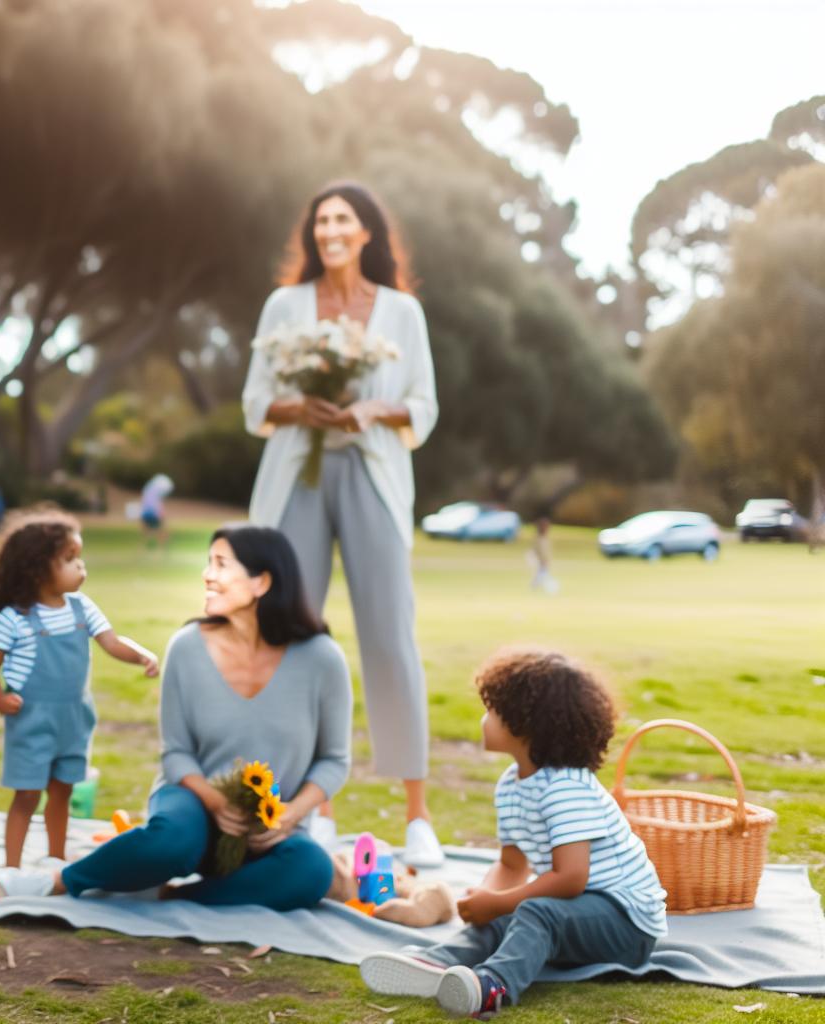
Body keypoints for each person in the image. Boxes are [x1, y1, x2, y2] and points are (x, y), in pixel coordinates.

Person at [242, 180, 444, 867]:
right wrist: (303, 409)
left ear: (366, 233)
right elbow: (256, 402)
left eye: (342, 219)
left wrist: (370, 411)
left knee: (390, 636)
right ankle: (315, 808)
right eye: (320, 220)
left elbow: (423, 406)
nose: (329, 230)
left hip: (372, 475)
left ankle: (417, 815)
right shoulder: (284, 306)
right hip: (295, 477)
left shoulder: (402, 312)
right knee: (295, 635)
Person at [0, 525, 348, 910]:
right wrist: (215, 802)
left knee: (312, 870)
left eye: (221, 564)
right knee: (170, 840)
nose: (207, 575)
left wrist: (292, 814)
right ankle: (58, 880)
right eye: (208, 562)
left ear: (261, 582)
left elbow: (334, 760)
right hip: (192, 808)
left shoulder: (322, 659)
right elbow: (176, 753)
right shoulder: (188, 647)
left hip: (270, 829)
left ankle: (173, 895)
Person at [359, 649, 666, 1017]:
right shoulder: (511, 785)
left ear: (525, 725)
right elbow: (511, 865)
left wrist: (500, 902)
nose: (483, 720)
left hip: (625, 925)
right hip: (576, 913)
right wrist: (486, 901)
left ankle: (492, 987)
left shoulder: (566, 788)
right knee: (503, 915)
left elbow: (570, 879)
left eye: (492, 712)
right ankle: (436, 963)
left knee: (535, 911)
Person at [0, 509, 160, 868]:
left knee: (62, 792)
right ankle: (12, 866)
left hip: (74, 719)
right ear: (37, 569)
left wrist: (142, 656)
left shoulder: (82, 607)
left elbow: (112, 642)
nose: (81, 566)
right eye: (70, 559)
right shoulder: (13, 619)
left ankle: (55, 859)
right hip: (32, 721)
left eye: (79, 557)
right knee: (27, 795)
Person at [139, 473, 174, 552]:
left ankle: (143, 547)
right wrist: (161, 513)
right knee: (160, 530)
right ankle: (162, 548)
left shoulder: (148, 489)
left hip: (145, 512)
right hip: (154, 512)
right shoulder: (156, 491)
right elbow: (157, 504)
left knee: (147, 531)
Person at [527, 517, 557, 593]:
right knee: (542, 573)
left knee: (542, 573)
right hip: (539, 560)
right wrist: (543, 560)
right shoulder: (539, 539)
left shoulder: (543, 538)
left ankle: (535, 585)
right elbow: (540, 551)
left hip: (542, 560)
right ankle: (537, 586)